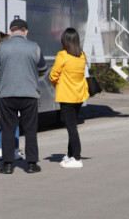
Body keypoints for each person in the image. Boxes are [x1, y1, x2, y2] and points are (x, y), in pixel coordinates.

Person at [0, 19, 47, 174]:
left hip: (7, 94)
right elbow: (43, 69)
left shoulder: (1, 47)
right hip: (29, 94)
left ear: (11, 31)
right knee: (30, 129)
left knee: (8, 128)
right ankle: (31, 164)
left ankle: (8, 165)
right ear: (25, 31)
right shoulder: (34, 47)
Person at [49, 28, 89, 169]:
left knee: (71, 128)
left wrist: (58, 84)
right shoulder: (82, 55)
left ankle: (76, 157)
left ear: (65, 41)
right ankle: (70, 155)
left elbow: (53, 75)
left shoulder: (62, 55)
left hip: (66, 96)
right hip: (79, 95)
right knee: (72, 126)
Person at [0, 32, 23, 161]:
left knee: (6, 122)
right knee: (12, 122)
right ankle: (9, 149)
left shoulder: (1, 53)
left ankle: (4, 149)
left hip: (7, 91)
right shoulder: (5, 54)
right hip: (11, 91)